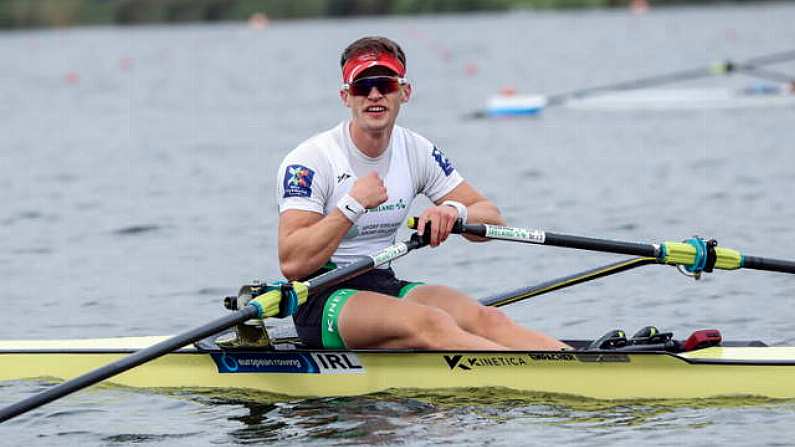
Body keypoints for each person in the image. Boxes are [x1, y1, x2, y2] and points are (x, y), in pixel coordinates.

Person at [276, 36, 568, 351]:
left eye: (385, 84)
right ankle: (528, 376)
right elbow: (293, 263)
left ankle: (574, 365)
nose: (374, 94)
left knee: (488, 320)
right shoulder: (310, 161)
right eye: (362, 86)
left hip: (381, 283)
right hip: (322, 296)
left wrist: (455, 212)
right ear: (346, 97)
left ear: (405, 92)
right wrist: (351, 205)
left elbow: (492, 218)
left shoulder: (416, 150)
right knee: (433, 323)